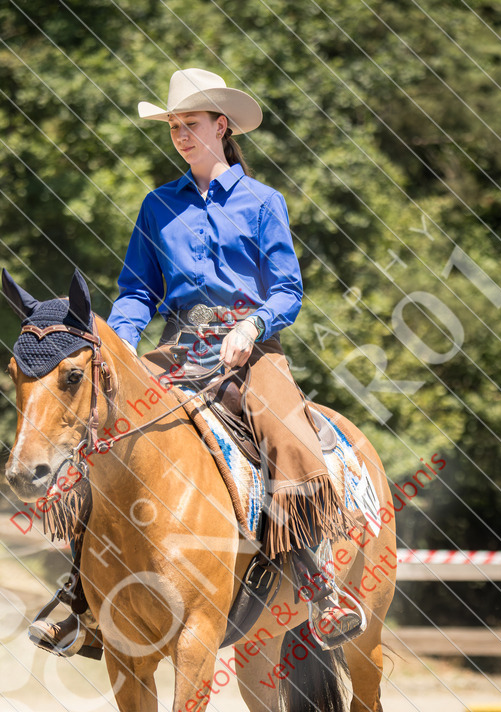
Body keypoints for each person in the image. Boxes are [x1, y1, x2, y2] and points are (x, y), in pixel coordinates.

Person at [29, 68, 363, 657]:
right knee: (97, 441)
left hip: (249, 349)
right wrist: (121, 346)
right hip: (177, 348)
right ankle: (81, 595)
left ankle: (318, 584)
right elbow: (137, 290)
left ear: (221, 126)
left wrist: (252, 326)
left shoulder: (264, 203)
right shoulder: (158, 205)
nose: (181, 135)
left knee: (288, 438)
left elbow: (288, 290)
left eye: (191, 124)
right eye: (174, 126)